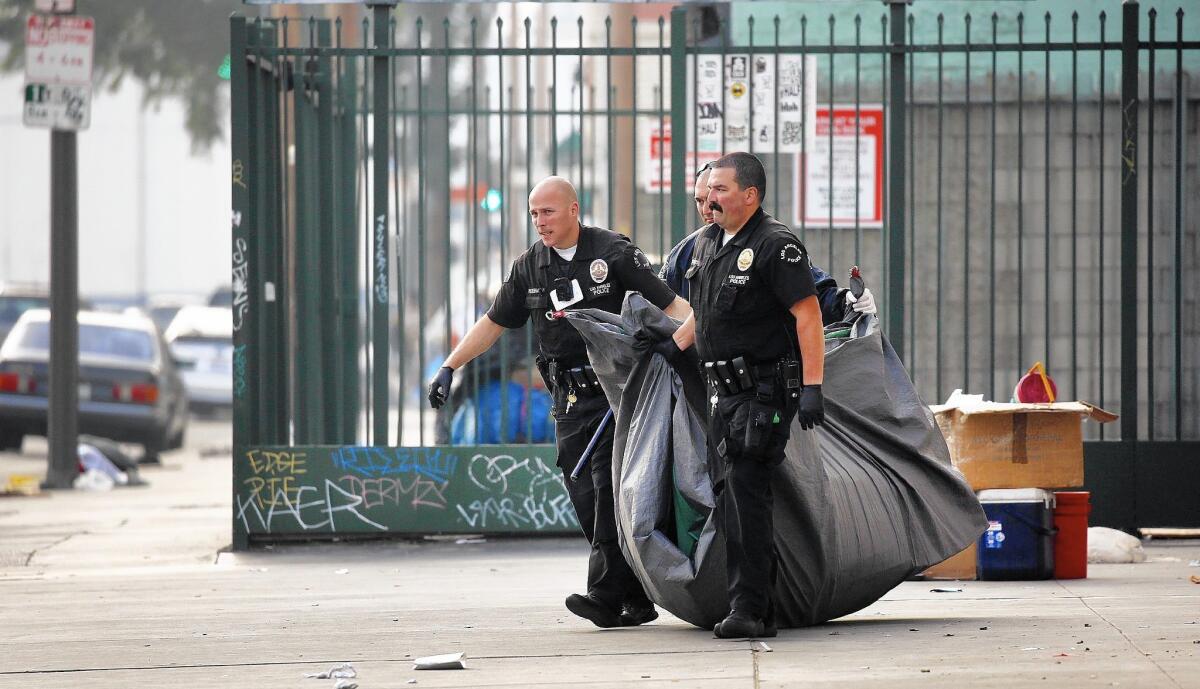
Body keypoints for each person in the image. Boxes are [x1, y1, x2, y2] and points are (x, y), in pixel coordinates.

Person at [427, 176, 692, 629]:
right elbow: (494, 323)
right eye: (533, 214)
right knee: (584, 494)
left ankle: (605, 594)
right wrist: (450, 366)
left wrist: (691, 340)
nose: (539, 222)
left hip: (617, 393)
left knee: (609, 490)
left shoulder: (613, 253)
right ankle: (633, 598)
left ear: (573, 210)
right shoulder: (530, 266)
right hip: (568, 399)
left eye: (547, 212)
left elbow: (672, 306)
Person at [661, 152, 826, 639]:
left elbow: (807, 315)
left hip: (761, 393)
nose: (709, 198)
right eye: (709, 189)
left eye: (720, 190)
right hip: (722, 395)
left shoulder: (777, 246)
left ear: (749, 195)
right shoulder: (710, 242)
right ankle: (756, 602)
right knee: (729, 496)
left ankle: (750, 610)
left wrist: (813, 387)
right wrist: (674, 344)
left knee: (745, 497)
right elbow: (708, 313)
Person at [660, 162, 876, 323]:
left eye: (713, 199)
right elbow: (662, 304)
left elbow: (811, 293)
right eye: (700, 201)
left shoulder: (770, 243)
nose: (706, 209)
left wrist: (847, 300)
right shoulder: (686, 252)